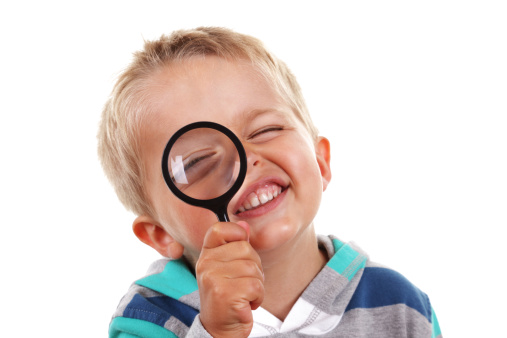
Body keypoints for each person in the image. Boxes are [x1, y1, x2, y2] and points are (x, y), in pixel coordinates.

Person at [98, 27, 442, 338]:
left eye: (266, 130)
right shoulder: (148, 321)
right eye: (197, 163)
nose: (244, 160)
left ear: (320, 161)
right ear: (160, 233)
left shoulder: (400, 306)